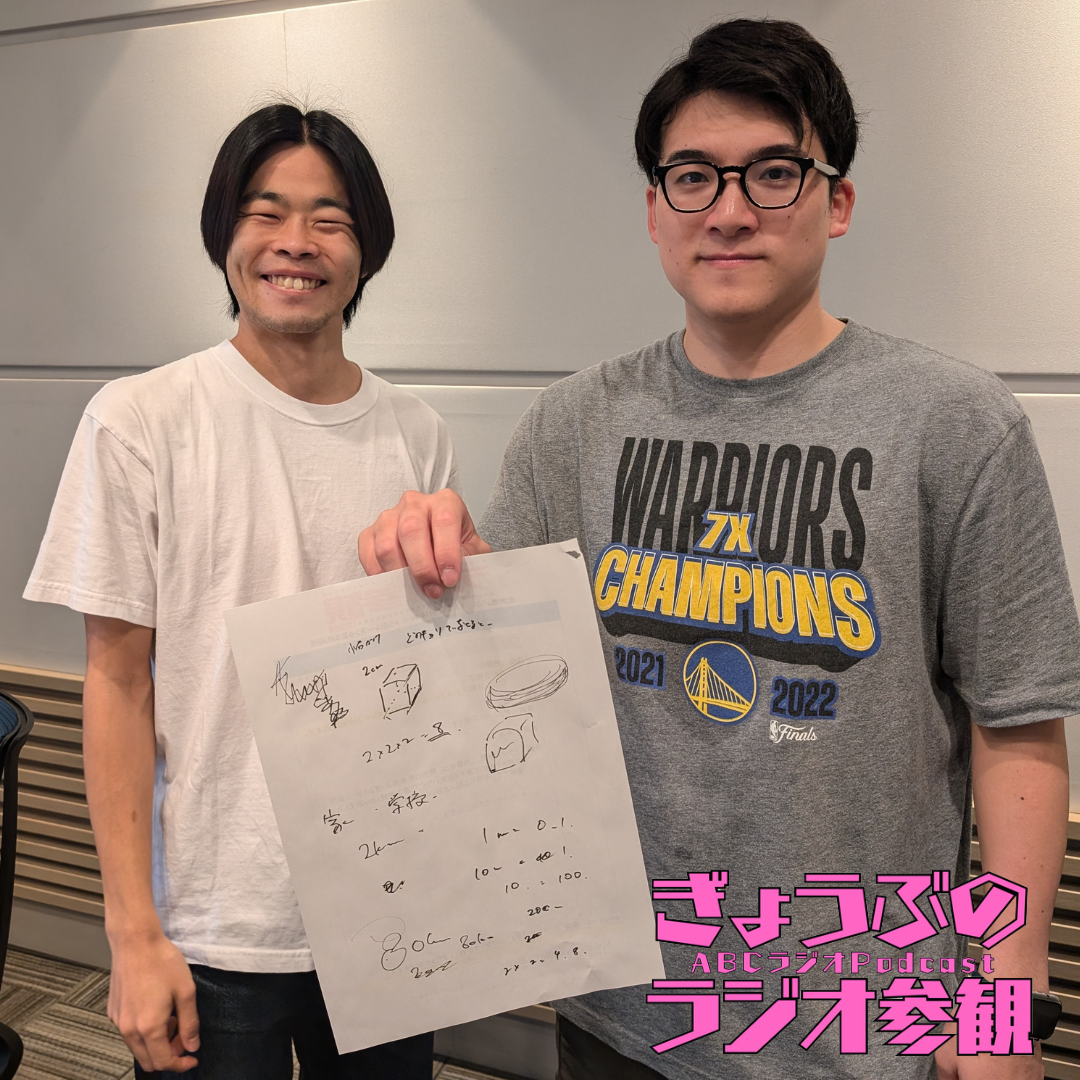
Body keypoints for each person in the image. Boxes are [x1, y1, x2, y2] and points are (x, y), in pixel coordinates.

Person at [358, 18, 1080, 1080]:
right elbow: (499, 686)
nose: (731, 211)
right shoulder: (571, 428)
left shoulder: (956, 426)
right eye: (693, 176)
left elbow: (1016, 727)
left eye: (774, 174)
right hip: (621, 1012)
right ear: (655, 210)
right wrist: (437, 567)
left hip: (863, 1029)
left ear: (837, 202)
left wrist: (1004, 1010)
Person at [25, 103, 456, 1078]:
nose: (295, 242)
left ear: (368, 250)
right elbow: (117, 682)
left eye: (330, 219)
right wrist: (132, 933)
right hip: (216, 922)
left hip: (388, 908)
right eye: (266, 213)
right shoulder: (141, 420)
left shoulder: (416, 433)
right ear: (225, 234)